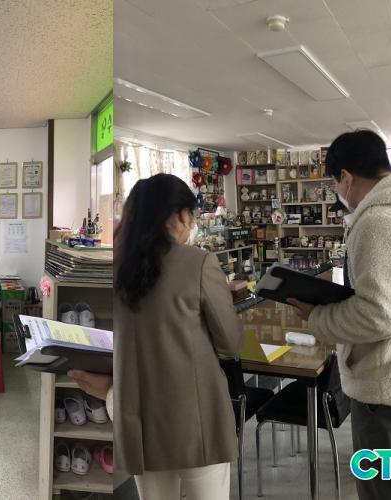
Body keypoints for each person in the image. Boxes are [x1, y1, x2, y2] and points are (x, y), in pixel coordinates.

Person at [287, 130, 391, 500]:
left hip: (390, 389)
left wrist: (318, 318)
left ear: (346, 177)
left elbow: (378, 315)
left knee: (382, 491)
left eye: (335, 183)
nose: (337, 192)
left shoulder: (379, 221)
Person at [114, 173, 243, 500]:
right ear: (175, 215)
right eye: (190, 214)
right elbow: (230, 343)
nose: (192, 223)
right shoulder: (197, 262)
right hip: (194, 418)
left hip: (138, 420)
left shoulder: (115, 266)